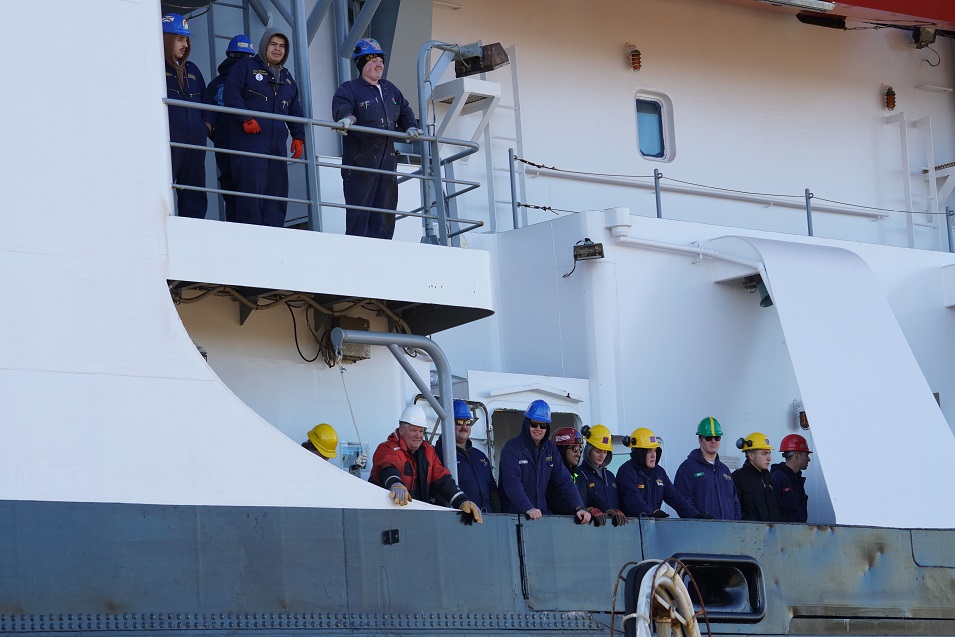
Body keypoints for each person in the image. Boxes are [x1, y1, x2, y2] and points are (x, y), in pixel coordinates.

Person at [331, 38, 424, 239]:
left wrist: (411, 126)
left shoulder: (390, 89)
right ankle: (358, 256)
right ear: (361, 64)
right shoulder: (349, 89)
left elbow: (405, 109)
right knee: (359, 216)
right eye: (372, 60)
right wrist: (346, 118)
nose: (379, 64)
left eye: (380, 60)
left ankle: (382, 254)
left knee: (385, 215)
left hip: (387, 163)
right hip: (360, 164)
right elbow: (341, 107)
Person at [224, 28, 306, 227]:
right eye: (273, 45)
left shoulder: (287, 78)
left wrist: (298, 137)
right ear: (264, 46)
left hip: (277, 146)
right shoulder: (245, 67)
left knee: (276, 194)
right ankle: (250, 236)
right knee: (251, 193)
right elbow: (231, 95)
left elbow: (295, 110)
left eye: (282, 46)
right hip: (250, 143)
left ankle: (274, 234)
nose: (278, 49)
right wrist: (246, 118)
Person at [370, 404, 482, 523]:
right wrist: (395, 484)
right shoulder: (387, 448)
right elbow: (388, 466)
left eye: (421, 431)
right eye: (413, 430)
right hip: (385, 517)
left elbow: (442, 479)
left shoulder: (428, 451)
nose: (418, 436)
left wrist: (462, 501)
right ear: (401, 431)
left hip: (418, 518)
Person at [498, 400, 591, 524]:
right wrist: (528, 508)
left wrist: (579, 507)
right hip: (514, 519)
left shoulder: (550, 449)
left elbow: (564, 480)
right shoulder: (512, 449)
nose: (538, 429)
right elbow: (512, 483)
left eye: (543, 426)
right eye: (534, 424)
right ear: (527, 423)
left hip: (541, 518)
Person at [162, 13, 212, 219]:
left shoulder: (193, 70)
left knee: (194, 192)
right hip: (169, 142)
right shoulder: (156, 69)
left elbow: (208, 102)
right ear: (167, 40)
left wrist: (206, 126)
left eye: (186, 39)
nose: (185, 44)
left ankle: (194, 230)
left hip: (195, 143)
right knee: (164, 187)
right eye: (180, 39)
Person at [204, 35, 255, 222]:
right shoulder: (250, 81)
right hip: (244, 144)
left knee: (232, 188)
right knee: (246, 188)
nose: (241, 62)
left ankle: (235, 227)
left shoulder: (215, 84)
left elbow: (208, 118)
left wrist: (218, 136)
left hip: (226, 144)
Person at [616, 427, 705, 519]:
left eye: (655, 450)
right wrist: (650, 514)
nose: (653, 455)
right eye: (649, 451)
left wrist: (696, 516)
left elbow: (676, 498)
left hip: (652, 528)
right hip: (631, 529)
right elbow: (633, 499)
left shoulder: (659, 473)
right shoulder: (626, 472)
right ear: (639, 453)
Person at [434, 399, 500, 513]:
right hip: (458, 521)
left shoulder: (480, 457)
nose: (464, 426)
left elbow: (493, 492)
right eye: (459, 422)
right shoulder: (437, 455)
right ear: (447, 423)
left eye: (468, 422)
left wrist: (495, 514)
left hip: (487, 520)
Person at [674, 417, 741, 520]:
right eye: (708, 438)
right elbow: (683, 501)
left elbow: (735, 502)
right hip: (701, 532)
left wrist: (736, 523)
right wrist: (699, 519)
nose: (713, 441)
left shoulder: (725, 470)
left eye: (717, 437)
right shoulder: (687, 468)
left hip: (728, 532)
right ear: (700, 440)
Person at [576, 424, 628, 526]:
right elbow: (577, 504)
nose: (602, 455)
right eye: (598, 451)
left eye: (605, 452)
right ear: (588, 450)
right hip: (590, 528)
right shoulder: (578, 473)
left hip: (614, 529)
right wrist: (589, 509)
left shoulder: (610, 476)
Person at [732, 432, 782, 522]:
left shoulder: (767, 477)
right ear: (751, 456)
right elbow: (736, 511)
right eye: (764, 454)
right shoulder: (738, 478)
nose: (769, 458)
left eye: (769, 453)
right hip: (751, 534)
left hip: (773, 533)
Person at [771, 433, 812, 522]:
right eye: (806, 455)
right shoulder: (777, 478)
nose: (809, 459)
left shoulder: (796, 479)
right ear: (797, 456)